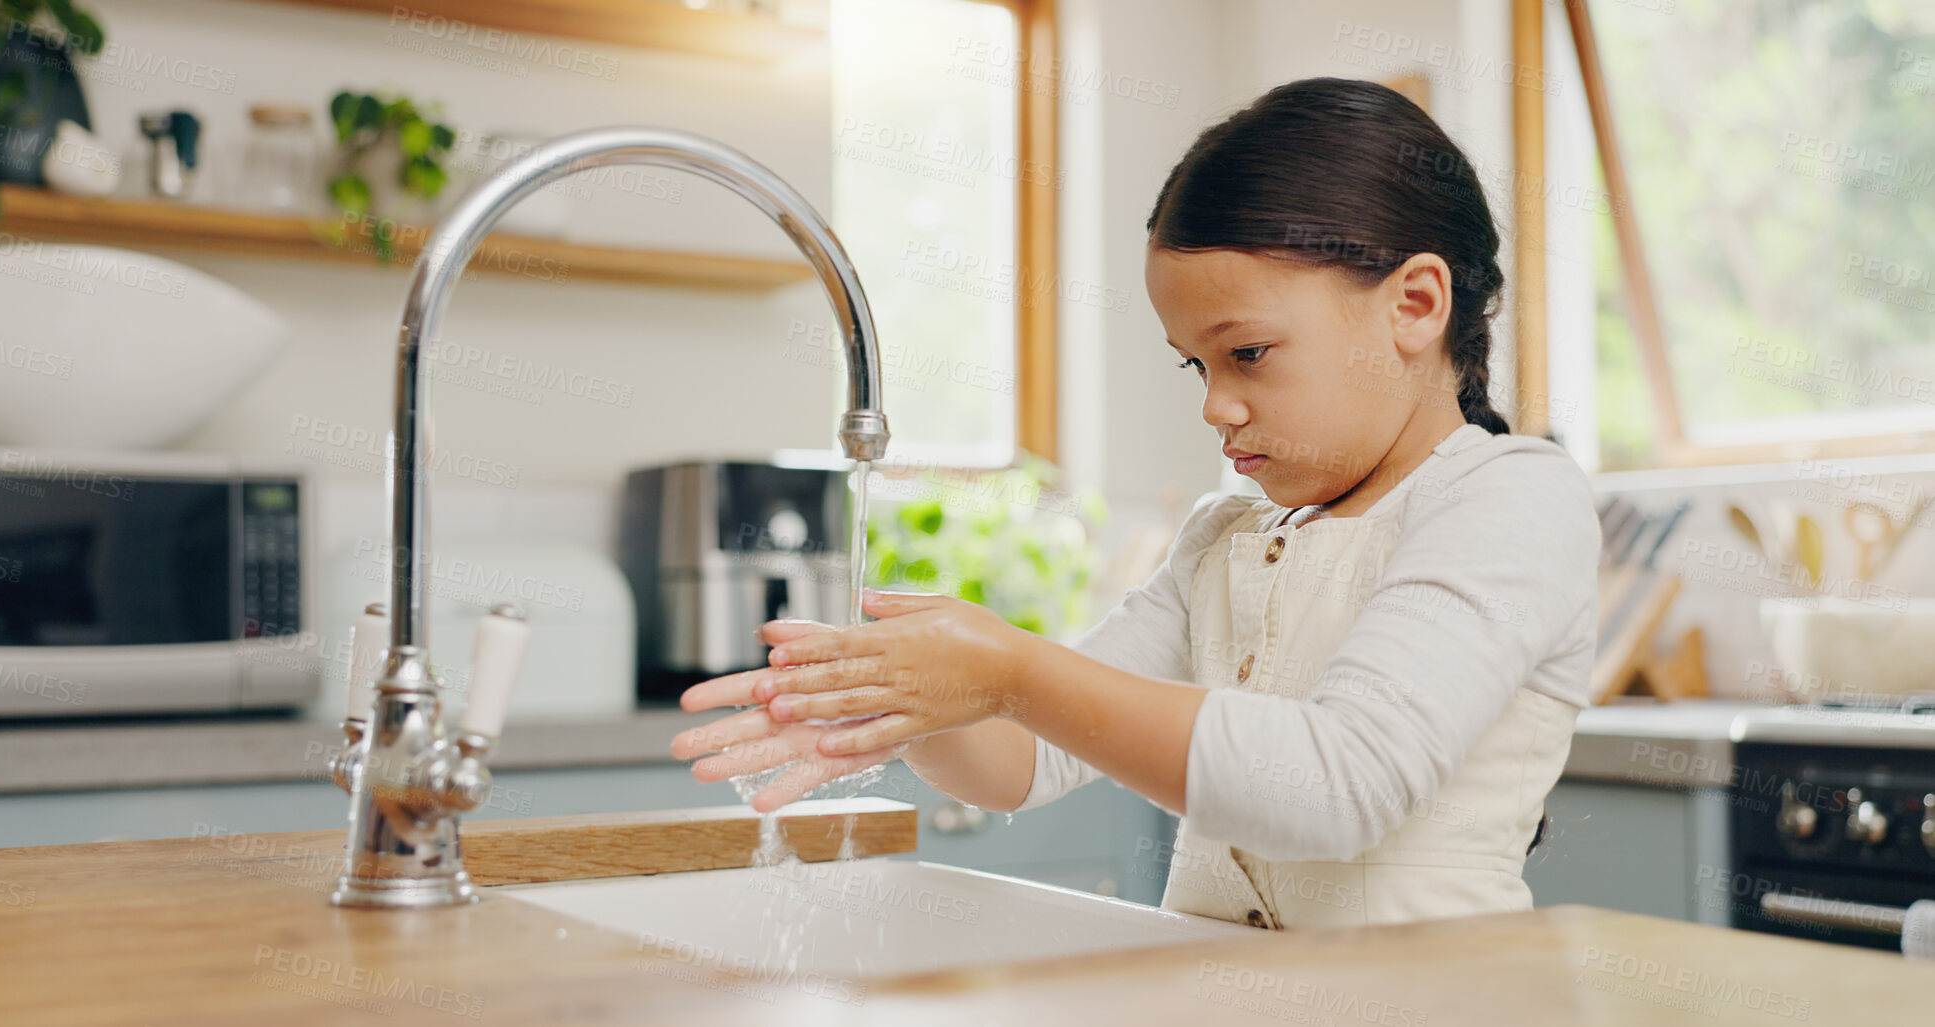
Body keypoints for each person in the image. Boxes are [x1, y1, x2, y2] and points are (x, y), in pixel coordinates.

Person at [669, 77, 1600, 930]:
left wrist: (1011, 669)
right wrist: (907, 705)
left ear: (1415, 303)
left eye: (1248, 353)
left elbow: (1335, 782)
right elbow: (1024, 763)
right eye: (1196, 363)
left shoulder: (1512, 496)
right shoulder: (1221, 537)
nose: (1214, 404)